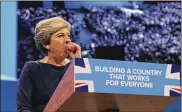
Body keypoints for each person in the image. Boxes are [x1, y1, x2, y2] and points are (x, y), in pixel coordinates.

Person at [16, 17, 82, 112]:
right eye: (60, 36)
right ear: (46, 44)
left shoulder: (75, 67)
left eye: (68, 35)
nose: (68, 40)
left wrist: (78, 61)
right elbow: (23, 108)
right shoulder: (32, 69)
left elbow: (85, 101)